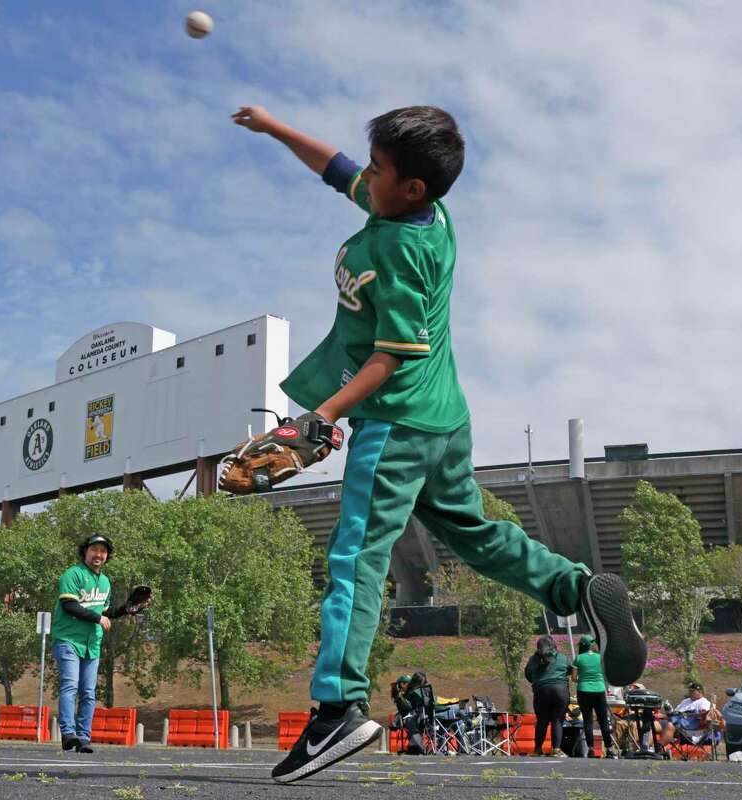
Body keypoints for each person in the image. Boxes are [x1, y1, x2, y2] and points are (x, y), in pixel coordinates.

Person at [231, 104, 647, 784]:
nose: (365, 176)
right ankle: (578, 589)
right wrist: (276, 128)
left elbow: (393, 353)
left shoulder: (400, 249)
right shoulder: (421, 210)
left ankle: (337, 706)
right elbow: (336, 167)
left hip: (393, 423)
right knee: (475, 532)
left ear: (412, 188)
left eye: (380, 169)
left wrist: (319, 418)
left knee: (357, 559)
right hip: (444, 419)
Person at [51, 534, 149, 754]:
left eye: (103, 551)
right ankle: (68, 734)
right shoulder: (73, 574)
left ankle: (83, 737)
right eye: (94, 549)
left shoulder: (104, 582)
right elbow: (69, 605)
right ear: (85, 551)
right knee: (70, 685)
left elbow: (105, 612)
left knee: (88, 691)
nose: (98, 554)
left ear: (107, 556)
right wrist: (97, 618)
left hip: (91, 644)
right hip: (68, 639)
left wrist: (126, 609)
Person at [524, 636, 571, 757]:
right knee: (557, 720)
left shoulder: (532, 660)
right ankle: (556, 750)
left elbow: (528, 676)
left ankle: (537, 749)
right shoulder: (562, 658)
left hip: (541, 692)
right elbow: (569, 671)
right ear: (553, 645)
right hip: (559, 691)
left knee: (542, 721)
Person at [572, 634, 615, 758]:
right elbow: (606, 674)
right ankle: (609, 748)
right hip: (599, 690)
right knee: (603, 720)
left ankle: (591, 748)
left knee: (587, 720)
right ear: (592, 645)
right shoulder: (600, 658)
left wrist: (584, 678)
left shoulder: (578, 659)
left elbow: (574, 678)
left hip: (583, 690)